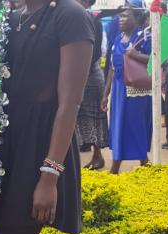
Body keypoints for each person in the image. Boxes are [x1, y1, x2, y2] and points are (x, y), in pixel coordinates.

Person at [0, 0, 93, 234]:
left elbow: (70, 102)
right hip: (6, 147)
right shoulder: (12, 15)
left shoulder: (70, 15)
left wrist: (49, 176)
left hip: (40, 152)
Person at [101, 1, 152, 174]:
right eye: (119, 15)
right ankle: (124, 163)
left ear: (136, 17)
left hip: (136, 90)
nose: (120, 19)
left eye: (125, 15)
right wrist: (105, 94)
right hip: (118, 91)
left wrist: (136, 55)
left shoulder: (145, 37)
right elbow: (112, 69)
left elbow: (156, 62)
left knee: (135, 126)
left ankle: (141, 162)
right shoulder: (117, 38)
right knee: (118, 126)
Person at [75, 0, 108, 170]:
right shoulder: (76, 17)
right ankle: (93, 157)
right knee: (79, 118)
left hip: (91, 75)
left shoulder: (95, 19)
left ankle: (98, 156)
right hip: (79, 74)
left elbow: (95, 52)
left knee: (94, 117)